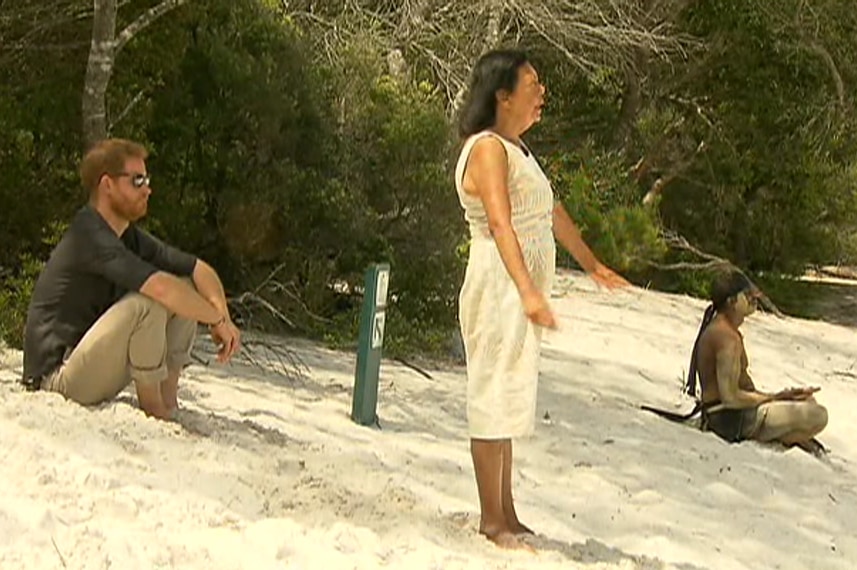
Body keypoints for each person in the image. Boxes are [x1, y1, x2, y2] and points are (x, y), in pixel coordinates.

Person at [454, 49, 630, 551]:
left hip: (518, 283)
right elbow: (500, 222)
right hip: (497, 283)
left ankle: (507, 510)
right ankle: (493, 521)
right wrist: (526, 291)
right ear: (502, 96)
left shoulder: (517, 149)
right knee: (491, 393)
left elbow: (551, 211)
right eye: (532, 85)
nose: (542, 93)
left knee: (508, 394)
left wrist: (592, 265)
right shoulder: (488, 147)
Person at [21, 138, 241, 420]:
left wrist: (222, 313)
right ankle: (154, 408)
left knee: (185, 286)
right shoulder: (90, 234)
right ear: (107, 185)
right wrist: (215, 321)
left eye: (147, 179)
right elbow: (160, 289)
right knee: (149, 301)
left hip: (90, 368)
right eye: (137, 180)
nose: (148, 189)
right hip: (55, 380)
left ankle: (167, 400)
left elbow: (198, 269)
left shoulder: (127, 236)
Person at [685, 271, 828, 452]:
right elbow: (730, 398)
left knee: (808, 400)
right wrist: (773, 398)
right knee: (819, 415)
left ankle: (787, 436)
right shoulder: (726, 338)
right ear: (731, 302)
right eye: (747, 295)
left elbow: (738, 391)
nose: (753, 299)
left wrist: (781, 396)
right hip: (729, 420)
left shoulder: (726, 331)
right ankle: (786, 438)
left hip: (733, 414)